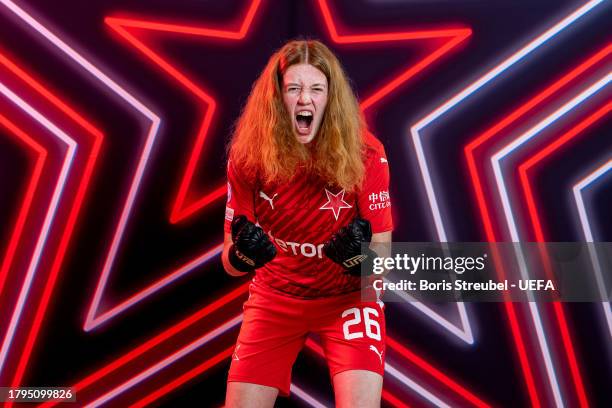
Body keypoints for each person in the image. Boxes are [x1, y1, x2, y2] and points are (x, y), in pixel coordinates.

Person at [222, 39, 393, 408]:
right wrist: (242, 256)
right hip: (274, 297)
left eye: (316, 89)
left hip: (347, 299)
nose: (304, 100)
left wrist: (361, 261)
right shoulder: (249, 156)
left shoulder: (367, 153)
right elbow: (229, 262)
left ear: (330, 99)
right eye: (294, 89)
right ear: (277, 99)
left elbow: (384, 256)